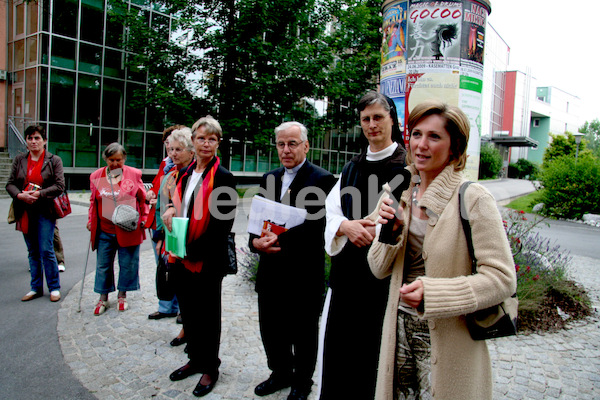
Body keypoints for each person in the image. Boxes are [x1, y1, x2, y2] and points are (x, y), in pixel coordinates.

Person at [367, 100, 516, 399]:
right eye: (417, 134)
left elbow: (502, 278)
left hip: (450, 337)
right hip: (398, 330)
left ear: (455, 147)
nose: (421, 144)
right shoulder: (398, 189)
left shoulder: (474, 198)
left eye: (434, 137)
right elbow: (377, 268)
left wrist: (433, 293)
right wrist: (391, 233)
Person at [320, 91, 409, 400]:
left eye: (378, 117)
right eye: (366, 119)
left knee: (375, 358)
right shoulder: (352, 168)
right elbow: (330, 211)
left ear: (392, 120)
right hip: (347, 277)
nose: (372, 125)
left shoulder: (408, 167)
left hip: (383, 281)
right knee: (340, 353)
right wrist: (346, 226)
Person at [250, 122, 335, 400]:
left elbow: (319, 227)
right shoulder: (269, 178)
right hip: (270, 270)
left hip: (302, 272)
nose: (286, 150)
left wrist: (276, 239)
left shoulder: (323, 179)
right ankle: (280, 372)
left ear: (306, 146)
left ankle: (302, 381)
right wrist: (254, 242)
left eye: (292, 144)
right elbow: (255, 221)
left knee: (303, 331)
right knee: (271, 328)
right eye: (281, 144)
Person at [162, 116, 236, 398]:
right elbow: (177, 201)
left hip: (206, 258)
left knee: (207, 316)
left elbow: (221, 226)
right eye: (202, 138)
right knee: (189, 314)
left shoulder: (224, 177)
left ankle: (210, 367)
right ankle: (194, 358)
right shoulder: (184, 172)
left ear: (218, 143)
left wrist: (190, 250)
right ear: (193, 141)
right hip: (181, 253)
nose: (206, 144)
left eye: (212, 139)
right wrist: (169, 207)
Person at [86, 143, 148, 315]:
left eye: (118, 160)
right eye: (111, 160)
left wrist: (144, 218)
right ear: (105, 159)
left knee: (127, 263)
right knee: (103, 264)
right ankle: (102, 298)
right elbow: (93, 201)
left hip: (128, 227)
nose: (115, 163)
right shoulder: (96, 176)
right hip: (105, 229)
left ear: (124, 159)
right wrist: (90, 220)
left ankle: (122, 295)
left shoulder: (134, 174)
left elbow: (143, 199)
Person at [7, 125, 65, 302]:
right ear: (26, 141)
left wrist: (39, 194)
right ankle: (35, 288)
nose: (33, 141)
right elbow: (9, 184)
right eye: (30, 138)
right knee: (32, 251)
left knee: (46, 249)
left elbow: (60, 186)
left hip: (45, 211)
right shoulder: (19, 160)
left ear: (44, 141)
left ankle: (54, 287)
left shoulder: (54, 160)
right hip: (24, 210)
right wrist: (20, 195)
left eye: (37, 138)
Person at [153, 127, 196, 347]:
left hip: (192, 236)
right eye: (170, 149)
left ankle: (190, 328)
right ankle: (185, 327)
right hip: (173, 236)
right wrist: (161, 235)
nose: (173, 153)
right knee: (178, 281)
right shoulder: (169, 176)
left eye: (178, 149)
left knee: (192, 287)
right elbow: (162, 207)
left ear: (191, 151)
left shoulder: (196, 174)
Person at [147, 125, 181, 321]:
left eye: (175, 143)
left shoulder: (180, 168)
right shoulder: (165, 165)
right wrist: (152, 193)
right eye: (168, 143)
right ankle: (167, 305)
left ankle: (177, 307)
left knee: (173, 265)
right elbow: (157, 186)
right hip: (157, 220)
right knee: (163, 266)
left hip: (170, 224)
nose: (170, 147)